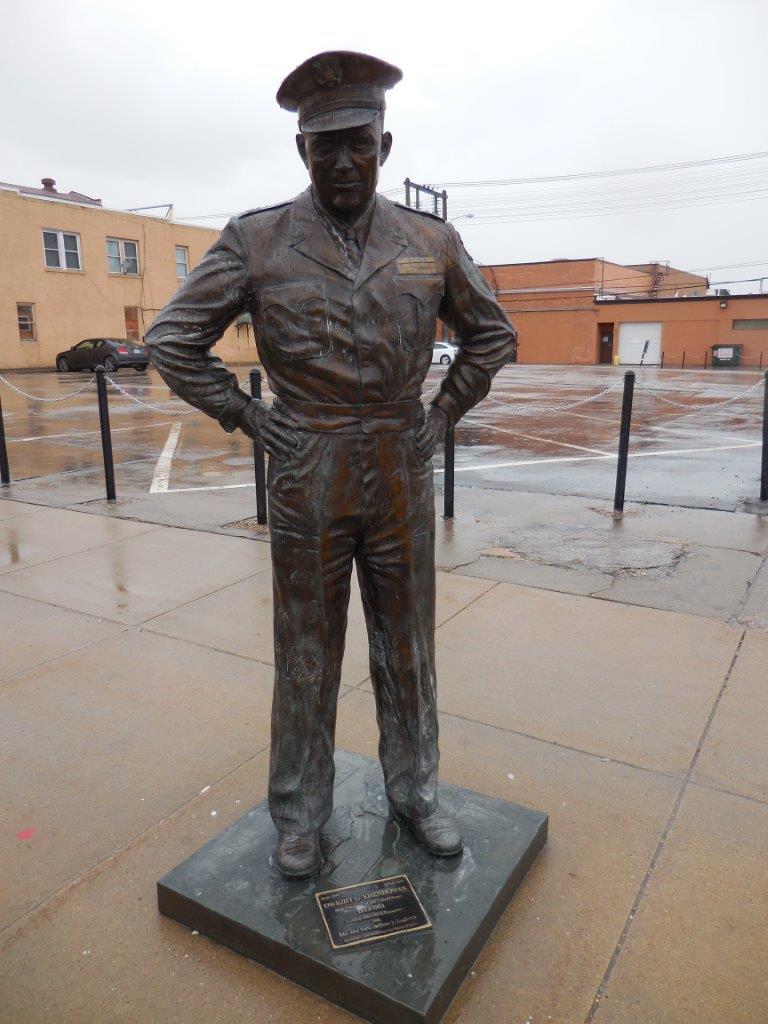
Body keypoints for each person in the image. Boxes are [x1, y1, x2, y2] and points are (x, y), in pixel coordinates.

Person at [146, 50, 516, 878]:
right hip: (306, 464)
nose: (342, 160)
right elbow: (172, 339)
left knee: (408, 643)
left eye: (358, 142)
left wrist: (442, 412)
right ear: (301, 152)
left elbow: (492, 335)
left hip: (398, 460)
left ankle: (416, 793)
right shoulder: (257, 238)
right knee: (306, 649)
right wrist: (245, 415)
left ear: (385, 146)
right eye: (325, 146)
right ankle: (301, 813)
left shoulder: (430, 240)